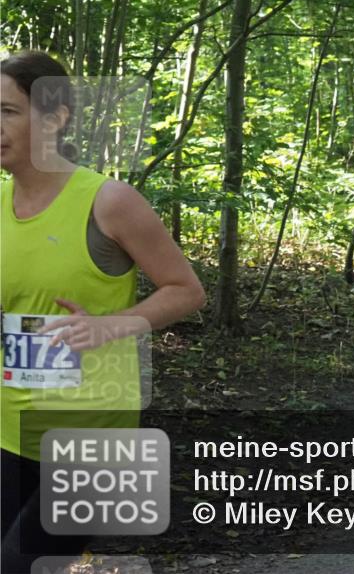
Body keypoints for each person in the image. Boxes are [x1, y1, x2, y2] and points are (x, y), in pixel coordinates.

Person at [1, 51, 205, 572]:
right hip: (8, 430)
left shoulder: (109, 201)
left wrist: (110, 325)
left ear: (55, 117)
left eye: (6, 111)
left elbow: (185, 289)